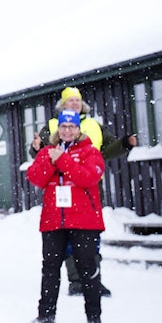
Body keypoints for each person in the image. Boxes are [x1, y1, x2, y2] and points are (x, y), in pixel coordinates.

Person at [28, 86, 132, 297]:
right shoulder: (51, 126)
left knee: (88, 236)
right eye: (70, 101)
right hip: (59, 189)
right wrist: (36, 149)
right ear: (62, 105)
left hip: (87, 187)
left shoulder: (93, 125)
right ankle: (76, 281)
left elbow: (106, 150)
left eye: (77, 100)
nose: (74, 104)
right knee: (64, 239)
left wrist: (123, 144)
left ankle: (93, 280)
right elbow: (41, 154)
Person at [26, 109, 107, 323]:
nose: (67, 131)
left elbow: (88, 177)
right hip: (53, 221)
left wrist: (63, 161)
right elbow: (36, 178)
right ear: (57, 129)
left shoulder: (90, 151)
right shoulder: (47, 152)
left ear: (78, 129)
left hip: (84, 221)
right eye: (63, 127)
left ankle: (94, 318)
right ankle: (46, 316)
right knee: (50, 269)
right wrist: (51, 161)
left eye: (72, 127)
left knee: (88, 268)